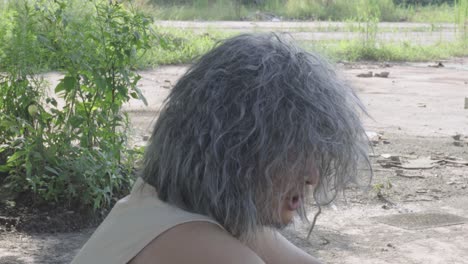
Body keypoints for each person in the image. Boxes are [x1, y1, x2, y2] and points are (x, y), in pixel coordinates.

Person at [71, 33, 371, 264]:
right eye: (294, 153)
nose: (312, 176)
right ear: (237, 150)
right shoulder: (212, 252)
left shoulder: (155, 206)